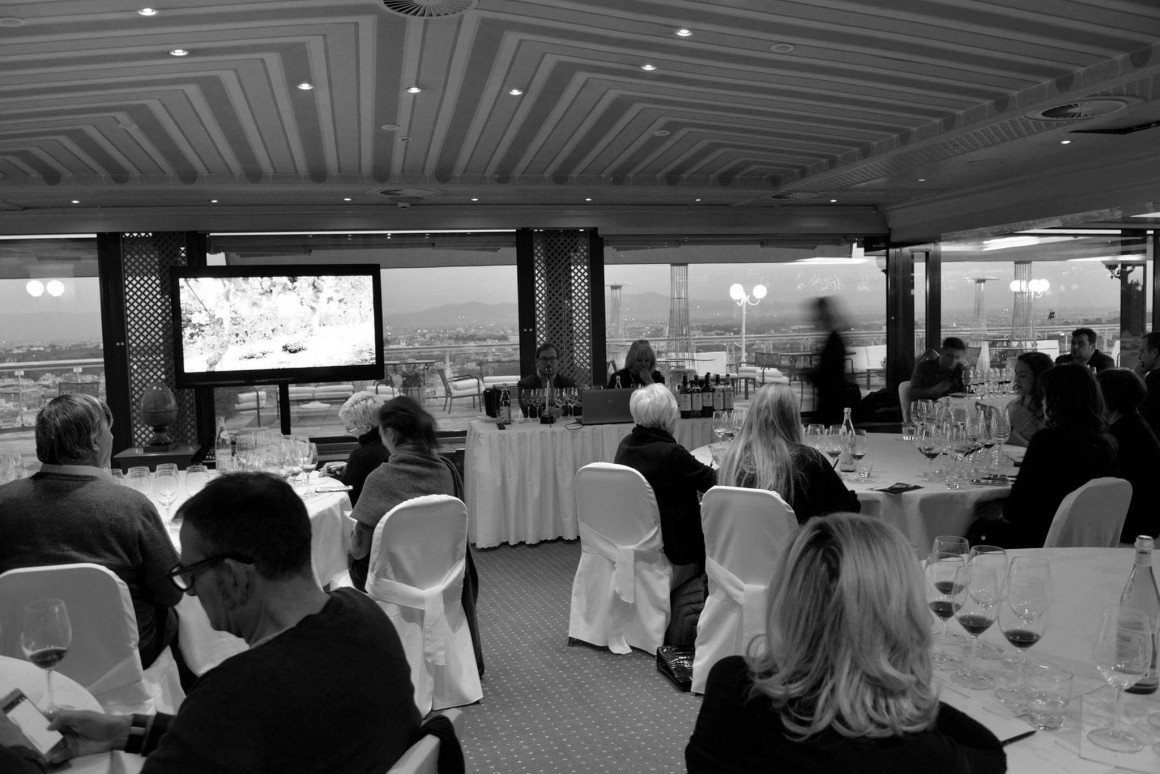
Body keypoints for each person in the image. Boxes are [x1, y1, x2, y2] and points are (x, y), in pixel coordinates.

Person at [3, 472, 423, 774]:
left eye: (192, 574)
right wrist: (120, 732)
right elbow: (246, 740)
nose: (188, 592)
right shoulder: (365, 617)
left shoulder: (237, 692)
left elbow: (226, 726)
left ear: (237, 575)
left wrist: (16, 759)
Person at [686, 514, 1005, 773]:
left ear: (787, 598)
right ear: (899, 615)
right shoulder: (907, 751)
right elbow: (990, 754)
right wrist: (896, 684)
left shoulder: (729, 684)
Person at [0, 394, 180, 668]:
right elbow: (171, 592)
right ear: (96, 441)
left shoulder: (3, 503)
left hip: (27, 659)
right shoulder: (130, 507)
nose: (112, 437)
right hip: (123, 661)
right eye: (109, 430)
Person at [347, 395, 484, 674]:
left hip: (395, 581)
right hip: (444, 574)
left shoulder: (380, 479)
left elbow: (360, 551)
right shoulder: (446, 470)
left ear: (391, 433)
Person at [978, 364, 1117, 549]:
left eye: (1045, 395)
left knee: (974, 527)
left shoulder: (1048, 441)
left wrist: (999, 509)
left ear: (1057, 399)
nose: (1042, 401)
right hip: (1085, 541)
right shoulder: (1107, 443)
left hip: (1038, 539)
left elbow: (1018, 510)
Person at [614, 384, 716, 580]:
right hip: (674, 547)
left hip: (636, 539)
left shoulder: (626, 444)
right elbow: (712, 482)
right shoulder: (670, 453)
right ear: (667, 418)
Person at [717, 384, 859, 522]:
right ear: (792, 418)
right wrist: (833, 479)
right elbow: (849, 511)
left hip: (739, 545)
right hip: (795, 545)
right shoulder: (807, 461)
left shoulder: (732, 460)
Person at [1097, 368, 1160, 542]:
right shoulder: (1131, 424)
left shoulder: (1122, 434)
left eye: (1097, 392)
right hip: (1142, 519)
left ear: (1112, 396)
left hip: (1132, 525)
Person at [335, 390, 391, 506]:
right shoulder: (396, 443)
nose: (349, 432)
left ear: (367, 427)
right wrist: (348, 468)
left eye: (350, 428)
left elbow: (347, 497)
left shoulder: (363, 456)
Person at [810, 296, 855, 426]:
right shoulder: (834, 338)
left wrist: (811, 375)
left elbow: (830, 373)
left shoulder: (833, 341)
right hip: (832, 399)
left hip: (831, 401)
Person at [1005, 351, 1054, 446]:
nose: (1016, 380)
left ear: (1039, 377)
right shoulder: (1013, 405)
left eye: (1023, 375)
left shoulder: (1048, 411)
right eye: (1016, 374)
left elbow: (1046, 452)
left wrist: (1013, 437)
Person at [1137, 331, 1160, 438]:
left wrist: (1137, 380)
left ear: (1154, 352)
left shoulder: (1155, 379)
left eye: (1142, 352)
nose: (1139, 357)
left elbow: (1141, 414)